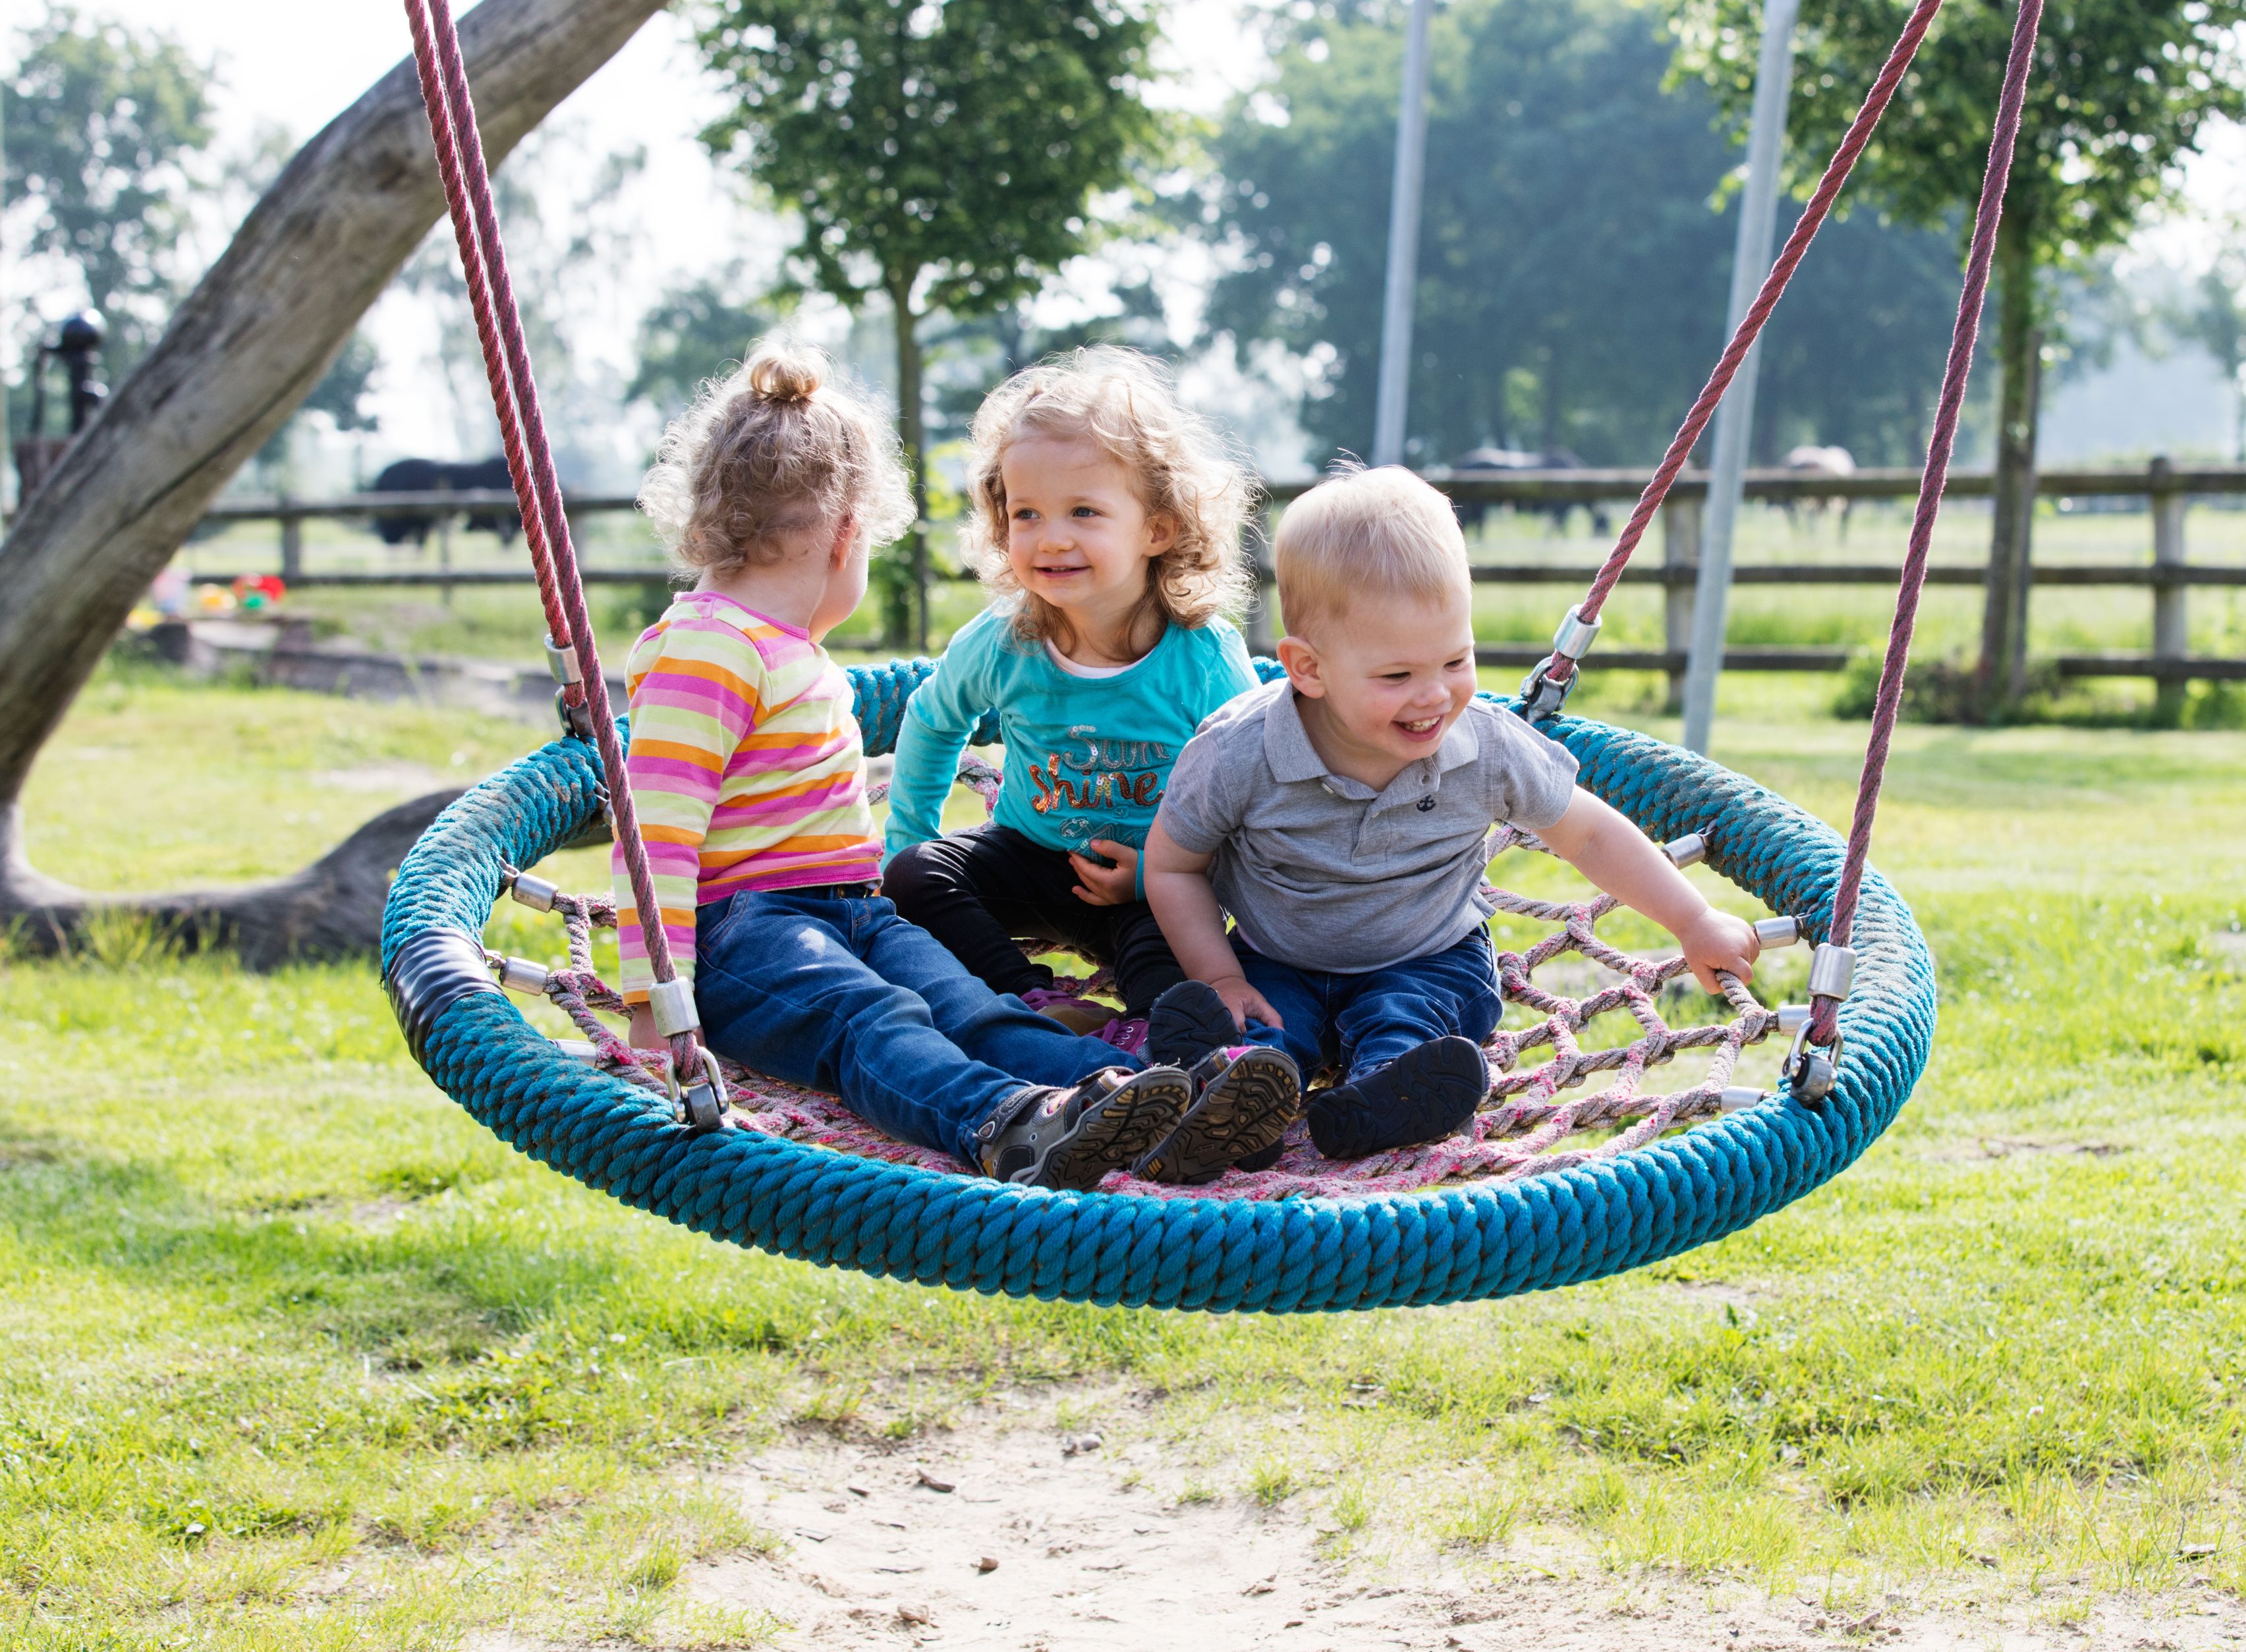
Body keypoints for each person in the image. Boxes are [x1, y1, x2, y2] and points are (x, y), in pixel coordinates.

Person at [614, 343, 1198, 1190]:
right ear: (849, 533)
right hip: (747, 935)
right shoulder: (707, 647)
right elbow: (654, 841)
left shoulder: (786, 649)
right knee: (874, 1020)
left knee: (969, 1007)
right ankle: (1003, 1123)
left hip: (847, 912)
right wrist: (654, 1000)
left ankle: (1147, 1099)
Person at [1143, 465, 1766, 1163]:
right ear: (1308, 669)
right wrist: (1218, 974)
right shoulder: (1240, 751)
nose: (1435, 696)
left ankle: (1386, 1096)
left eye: (1455, 659)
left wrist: (1691, 920)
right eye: (1398, 676)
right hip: (1276, 954)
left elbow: (1588, 834)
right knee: (1261, 1022)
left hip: (1430, 957)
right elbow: (1172, 864)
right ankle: (1234, 1094)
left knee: (1406, 1018)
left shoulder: (1487, 746)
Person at [877, 349, 1296, 1184]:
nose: (1050, 537)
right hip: (1029, 852)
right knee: (918, 877)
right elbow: (931, 720)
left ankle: (1181, 1068)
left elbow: (1249, 779)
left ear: (1159, 529)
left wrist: (1158, 873)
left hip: (1156, 875)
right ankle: (1029, 1004)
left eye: (1082, 511)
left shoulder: (1199, 654)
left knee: (1178, 969)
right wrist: (909, 838)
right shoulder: (1005, 639)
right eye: (1025, 513)